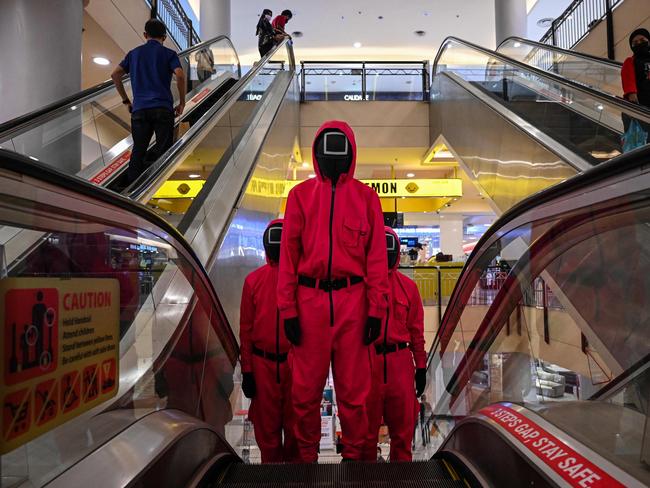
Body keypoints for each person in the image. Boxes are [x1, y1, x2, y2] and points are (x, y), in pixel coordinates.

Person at [278, 120, 389, 463]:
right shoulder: (299, 197)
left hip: (353, 305)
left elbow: (376, 260)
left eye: (340, 147)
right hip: (308, 303)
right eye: (327, 147)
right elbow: (288, 257)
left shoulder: (367, 199)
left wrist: (375, 309)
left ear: (351, 153)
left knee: (355, 395)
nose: (333, 154)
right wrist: (288, 309)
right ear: (316, 152)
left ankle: (354, 463)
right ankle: (306, 462)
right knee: (304, 394)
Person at [364, 227, 426, 462]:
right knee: (365, 438)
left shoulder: (408, 288)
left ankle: (401, 481)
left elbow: (416, 331)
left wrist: (421, 367)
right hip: (368, 363)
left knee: (403, 436)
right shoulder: (362, 287)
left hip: (400, 364)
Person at [240, 219, 297, 463]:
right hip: (267, 367)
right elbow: (246, 330)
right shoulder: (254, 281)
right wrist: (248, 371)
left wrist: (248, 371)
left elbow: (245, 331)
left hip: (291, 364)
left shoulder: (298, 281)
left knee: (293, 435)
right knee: (270, 437)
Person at [111, 19, 186, 185]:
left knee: (138, 150)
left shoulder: (134, 54)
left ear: (145, 35)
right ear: (164, 37)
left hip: (139, 109)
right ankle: (155, 186)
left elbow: (115, 74)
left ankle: (131, 190)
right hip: (162, 108)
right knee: (163, 150)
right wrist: (182, 102)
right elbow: (180, 75)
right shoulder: (169, 54)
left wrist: (126, 101)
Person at [622, 28, 650, 109]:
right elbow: (629, 84)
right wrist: (635, 106)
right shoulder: (630, 61)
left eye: (642, 40)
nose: (639, 43)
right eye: (635, 43)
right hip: (643, 106)